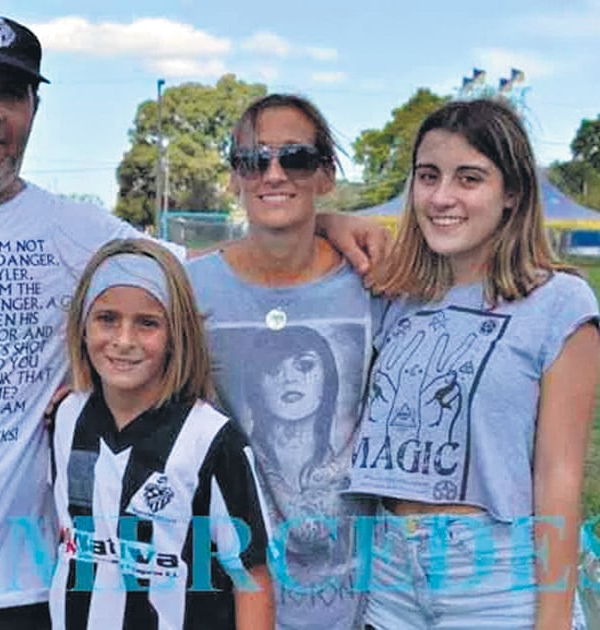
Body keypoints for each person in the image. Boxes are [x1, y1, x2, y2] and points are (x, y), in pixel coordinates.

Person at [0, 12, 385, 630]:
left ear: (33, 110)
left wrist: (320, 221)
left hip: (24, 593)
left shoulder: (78, 231)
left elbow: (203, 268)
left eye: (10, 93)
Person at [345, 98, 600, 629]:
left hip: (496, 583)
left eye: (469, 178)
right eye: (428, 176)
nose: (442, 197)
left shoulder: (559, 301)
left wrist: (553, 621)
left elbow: (559, 476)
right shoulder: (397, 296)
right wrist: (330, 218)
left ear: (512, 193)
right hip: (389, 578)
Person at [187, 93, 378, 629]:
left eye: (295, 157)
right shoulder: (188, 288)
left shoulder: (374, 281)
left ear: (326, 174)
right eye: (253, 160)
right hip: (231, 595)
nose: (273, 174)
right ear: (234, 177)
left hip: (357, 600)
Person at [50, 238, 273, 629]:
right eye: (107, 318)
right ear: (82, 327)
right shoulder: (67, 417)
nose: (124, 341)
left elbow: (251, 575)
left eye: (147, 323)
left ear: (176, 334)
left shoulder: (211, 440)